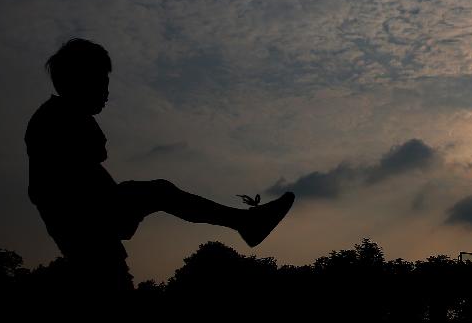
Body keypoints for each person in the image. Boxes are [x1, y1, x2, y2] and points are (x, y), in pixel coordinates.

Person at [25, 39, 294, 286]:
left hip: (91, 224)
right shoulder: (59, 119)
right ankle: (245, 223)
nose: (107, 91)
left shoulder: (60, 117)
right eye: (101, 81)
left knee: (112, 274)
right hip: (88, 221)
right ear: (81, 81)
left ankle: (244, 223)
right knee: (159, 195)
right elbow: (78, 168)